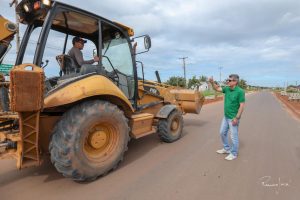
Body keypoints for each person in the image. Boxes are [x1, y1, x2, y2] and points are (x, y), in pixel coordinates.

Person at [209, 74, 245, 161]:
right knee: (222, 132)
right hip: (226, 116)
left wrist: (237, 118)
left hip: (233, 118)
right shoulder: (227, 89)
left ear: (235, 82)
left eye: (229, 80)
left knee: (233, 136)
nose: (227, 81)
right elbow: (217, 88)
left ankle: (234, 153)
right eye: (228, 80)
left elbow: (242, 106)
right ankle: (226, 148)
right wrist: (212, 82)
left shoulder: (240, 91)